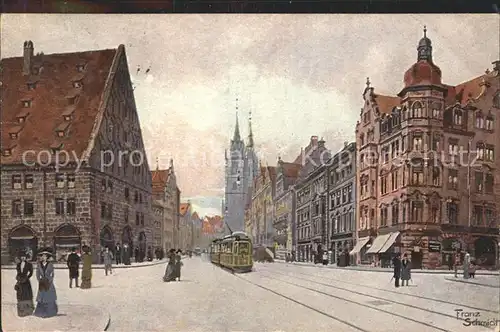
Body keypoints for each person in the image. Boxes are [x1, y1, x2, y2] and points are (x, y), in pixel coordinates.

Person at [33, 248, 58, 318]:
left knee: (49, 296)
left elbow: (52, 274)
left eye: (45, 256)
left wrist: (50, 280)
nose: (43, 257)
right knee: (41, 296)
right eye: (42, 256)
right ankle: (40, 312)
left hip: (48, 281)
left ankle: (50, 312)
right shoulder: (39, 264)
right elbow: (37, 273)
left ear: (47, 257)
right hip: (42, 282)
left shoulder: (50, 264)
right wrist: (39, 280)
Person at [15, 250, 34, 317]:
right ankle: (21, 309)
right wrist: (18, 278)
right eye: (22, 257)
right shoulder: (18, 264)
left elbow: (31, 273)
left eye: (24, 257)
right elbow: (18, 273)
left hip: (26, 281)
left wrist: (27, 277)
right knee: (20, 294)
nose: (23, 258)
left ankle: (28, 310)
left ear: (26, 257)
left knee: (27, 294)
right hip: (20, 281)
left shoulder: (29, 264)